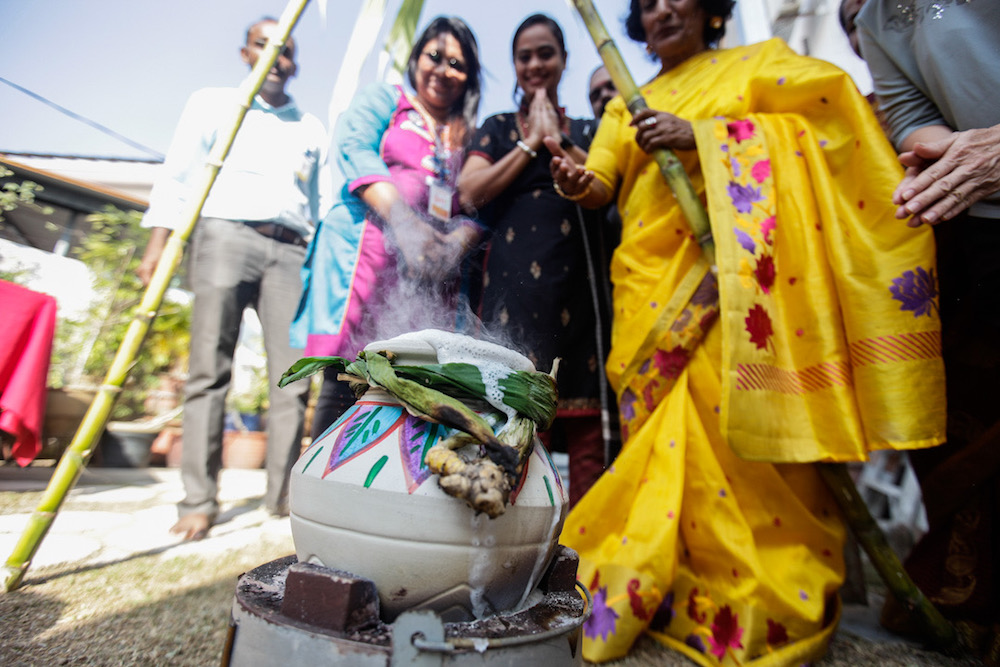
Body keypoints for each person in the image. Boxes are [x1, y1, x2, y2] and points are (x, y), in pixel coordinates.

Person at [548, 0, 945, 663]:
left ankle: (759, 593)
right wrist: (574, 179)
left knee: (750, 441)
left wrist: (702, 134)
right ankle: (663, 583)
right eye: (646, 4)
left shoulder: (760, 63)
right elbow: (602, 181)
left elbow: (831, 124)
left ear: (709, 10)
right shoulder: (627, 99)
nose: (662, 9)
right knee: (665, 446)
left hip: (747, 293)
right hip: (654, 292)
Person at [137, 17, 325, 541]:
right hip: (223, 234)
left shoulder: (311, 127)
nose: (275, 57)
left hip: (290, 250)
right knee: (208, 370)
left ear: (295, 61)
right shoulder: (212, 103)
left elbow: (319, 203)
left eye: (284, 49)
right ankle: (198, 499)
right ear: (246, 53)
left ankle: (282, 494)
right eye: (265, 46)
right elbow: (176, 177)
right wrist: (157, 247)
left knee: (292, 376)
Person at [856, 3, 1000, 661]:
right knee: (966, 425)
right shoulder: (877, 19)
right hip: (970, 229)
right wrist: (937, 151)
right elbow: (912, 120)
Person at [290, 17, 483, 438]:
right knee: (348, 375)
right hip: (369, 255)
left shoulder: (468, 135)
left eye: (457, 64)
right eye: (435, 56)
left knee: (415, 386)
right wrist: (406, 224)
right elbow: (354, 147)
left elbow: (478, 203)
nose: (443, 70)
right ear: (415, 58)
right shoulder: (385, 99)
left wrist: (456, 242)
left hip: (435, 275)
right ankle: (322, 489)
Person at [458, 14, 608, 508]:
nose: (536, 64)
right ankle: (513, 539)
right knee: (514, 414)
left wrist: (556, 139)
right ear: (515, 66)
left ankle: (586, 551)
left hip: (581, 290)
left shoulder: (587, 129)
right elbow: (469, 191)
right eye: (525, 56)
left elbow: (611, 185)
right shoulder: (498, 128)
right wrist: (528, 143)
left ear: (563, 61)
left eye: (546, 53)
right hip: (512, 290)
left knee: (587, 428)